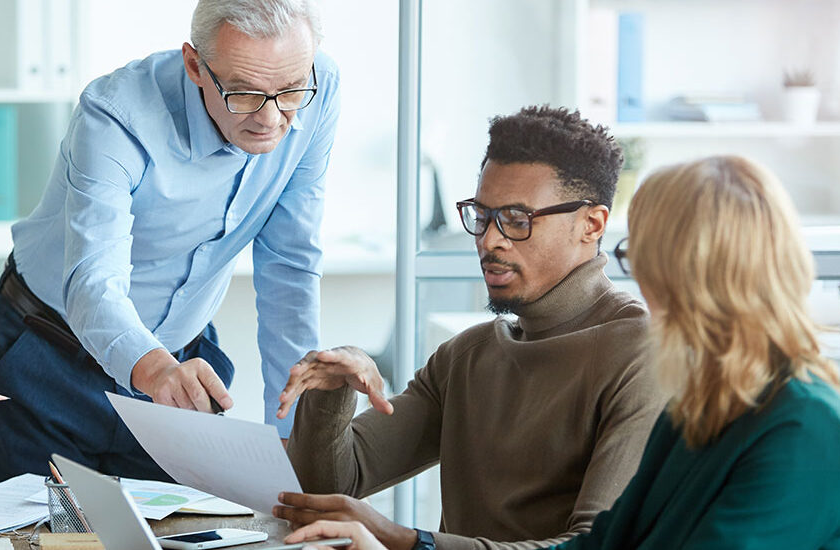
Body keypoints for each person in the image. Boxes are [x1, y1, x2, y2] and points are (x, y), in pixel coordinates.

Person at [273, 106, 667, 549]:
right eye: (482, 216)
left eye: (517, 220)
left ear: (591, 225)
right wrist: (333, 391)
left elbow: (597, 546)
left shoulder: (645, 358)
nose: (489, 240)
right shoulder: (468, 355)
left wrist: (405, 540)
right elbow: (325, 490)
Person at [0, 0, 340, 483]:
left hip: (179, 363)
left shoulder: (320, 85)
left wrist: (292, 439)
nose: (271, 118)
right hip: (49, 349)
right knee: (47, 523)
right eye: (243, 93)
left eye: (290, 91)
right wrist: (155, 371)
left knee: (185, 521)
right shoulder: (115, 114)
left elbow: (289, 266)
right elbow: (94, 281)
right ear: (195, 65)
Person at [546, 156, 840, 549]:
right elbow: (607, 542)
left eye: (639, 258)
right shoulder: (699, 404)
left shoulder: (805, 426)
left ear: (684, 275)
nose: (640, 282)